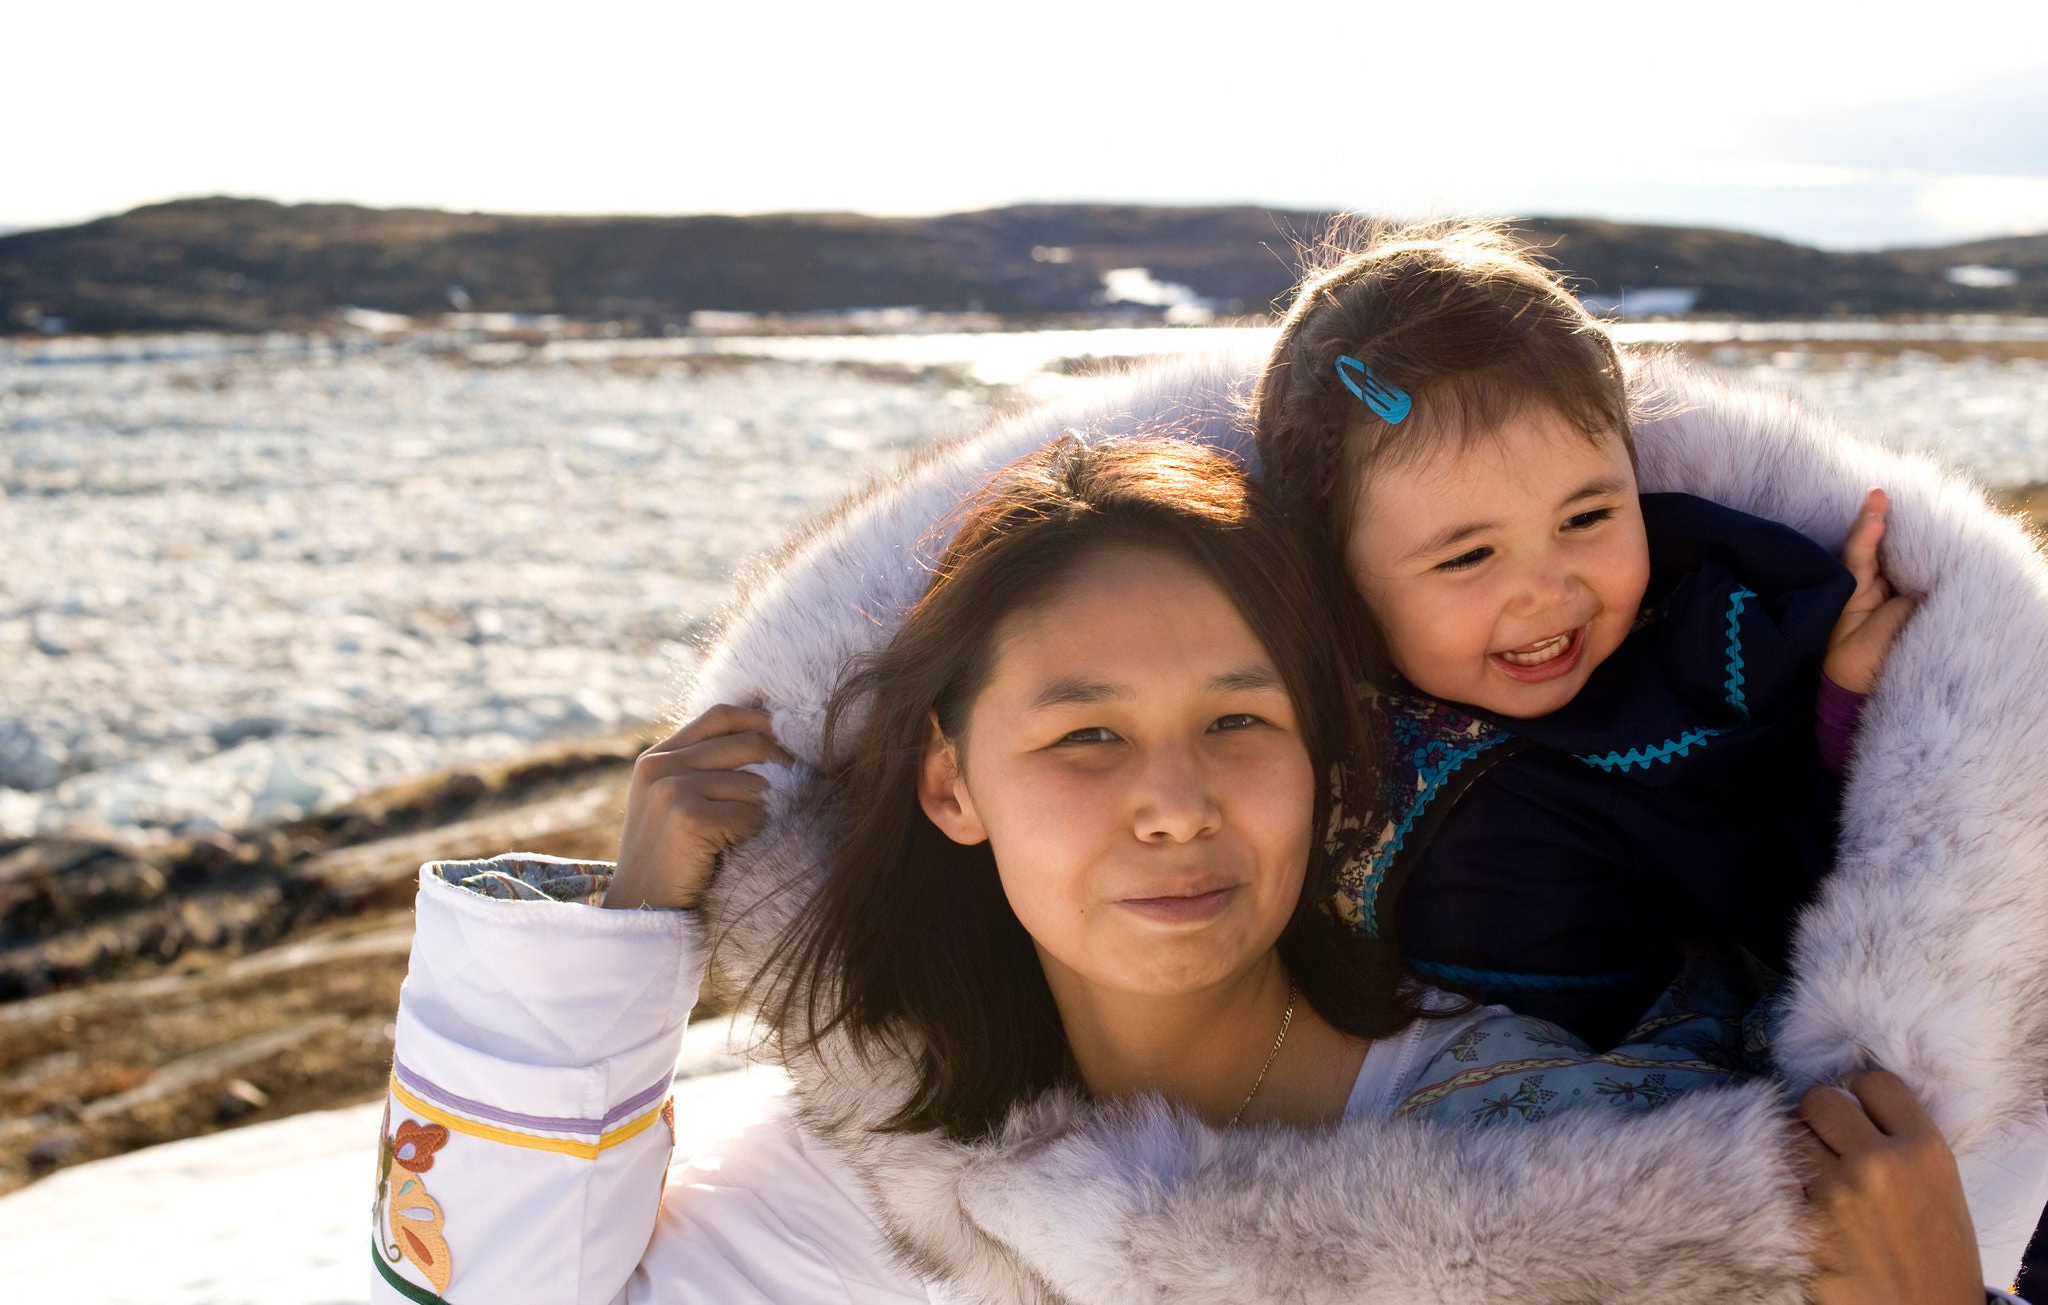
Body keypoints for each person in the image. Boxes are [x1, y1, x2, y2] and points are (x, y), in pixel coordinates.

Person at [370, 435, 2008, 1304]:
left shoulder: (1557, 1144)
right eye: (1082, 735)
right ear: (950, 779)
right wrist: (636, 920)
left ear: (1327, 759)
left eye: (1238, 716)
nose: (1172, 803)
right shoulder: (869, 1170)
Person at [1253, 220, 1921, 1047]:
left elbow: (1794, 884)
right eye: (1467, 555)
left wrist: (1840, 695)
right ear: (1332, 575)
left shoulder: (1697, 664)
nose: (1548, 590)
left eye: (1589, 514)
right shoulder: (1268, 710)